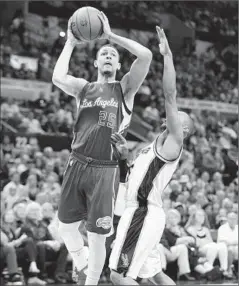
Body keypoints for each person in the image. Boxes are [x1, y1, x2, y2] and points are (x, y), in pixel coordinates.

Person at [52, 10, 152, 285]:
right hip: (77, 162)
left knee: (98, 235)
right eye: (104, 53)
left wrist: (111, 37)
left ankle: (92, 280)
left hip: (105, 170)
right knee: (65, 228)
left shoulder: (125, 89)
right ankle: (81, 260)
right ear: (96, 61)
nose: (108, 55)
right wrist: (71, 43)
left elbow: (145, 56)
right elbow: (57, 77)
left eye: (113, 55)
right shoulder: (84, 88)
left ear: (118, 65)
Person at [109, 26, 194, 285]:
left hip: (143, 214)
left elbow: (170, 95)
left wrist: (167, 56)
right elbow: (133, 177)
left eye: (179, 119)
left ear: (185, 130)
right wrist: (124, 157)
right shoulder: (152, 145)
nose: (172, 116)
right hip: (143, 213)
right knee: (156, 275)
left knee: (116, 275)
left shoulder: (174, 140)